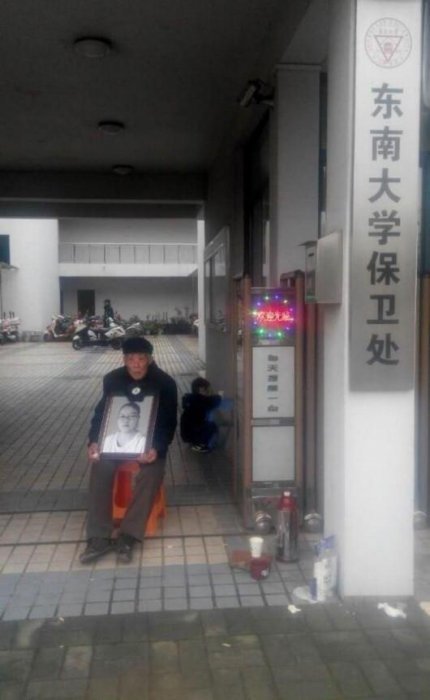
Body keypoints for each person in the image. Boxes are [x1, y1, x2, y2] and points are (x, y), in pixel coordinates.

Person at [80, 336, 177, 564]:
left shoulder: (165, 383)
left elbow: (169, 421)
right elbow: (101, 413)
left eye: (141, 359)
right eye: (131, 359)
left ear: (149, 360)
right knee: (100, 466)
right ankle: (98, 537)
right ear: (124, 360)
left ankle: (128, 535)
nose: (136, 364)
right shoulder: (112, 379)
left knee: (151, 474)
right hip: (115, 444)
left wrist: (156, 448)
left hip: (149, 446)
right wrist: (94, 441)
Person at [180, 377, 222, 453]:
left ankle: (196, 443)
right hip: (196, 433)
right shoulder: (202, 400)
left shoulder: (189, 398)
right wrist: (218, 395)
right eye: (208, 390)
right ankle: (201, 445)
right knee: (213, 426)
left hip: (186, 434)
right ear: (201, 390)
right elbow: (216, 400)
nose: (209, 392)